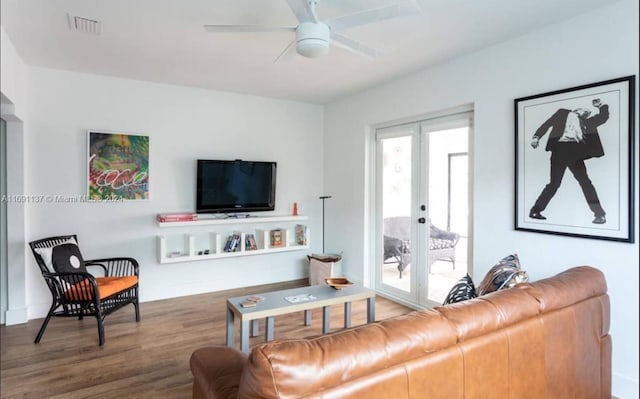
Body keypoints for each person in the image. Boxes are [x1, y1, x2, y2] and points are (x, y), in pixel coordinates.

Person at [529, 98, 609, 224]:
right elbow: (547, 123)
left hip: (575, 154)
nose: (587, 113)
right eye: (585, 111)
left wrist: (601, 105)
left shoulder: (587, 123)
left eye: (588, 113)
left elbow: (603, 117)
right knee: (554, 184)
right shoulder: (562, 113)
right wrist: (536, 136)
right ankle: (535, 211)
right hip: (559, 150)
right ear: (577, 110)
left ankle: (599, 215)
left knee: (586, 183)